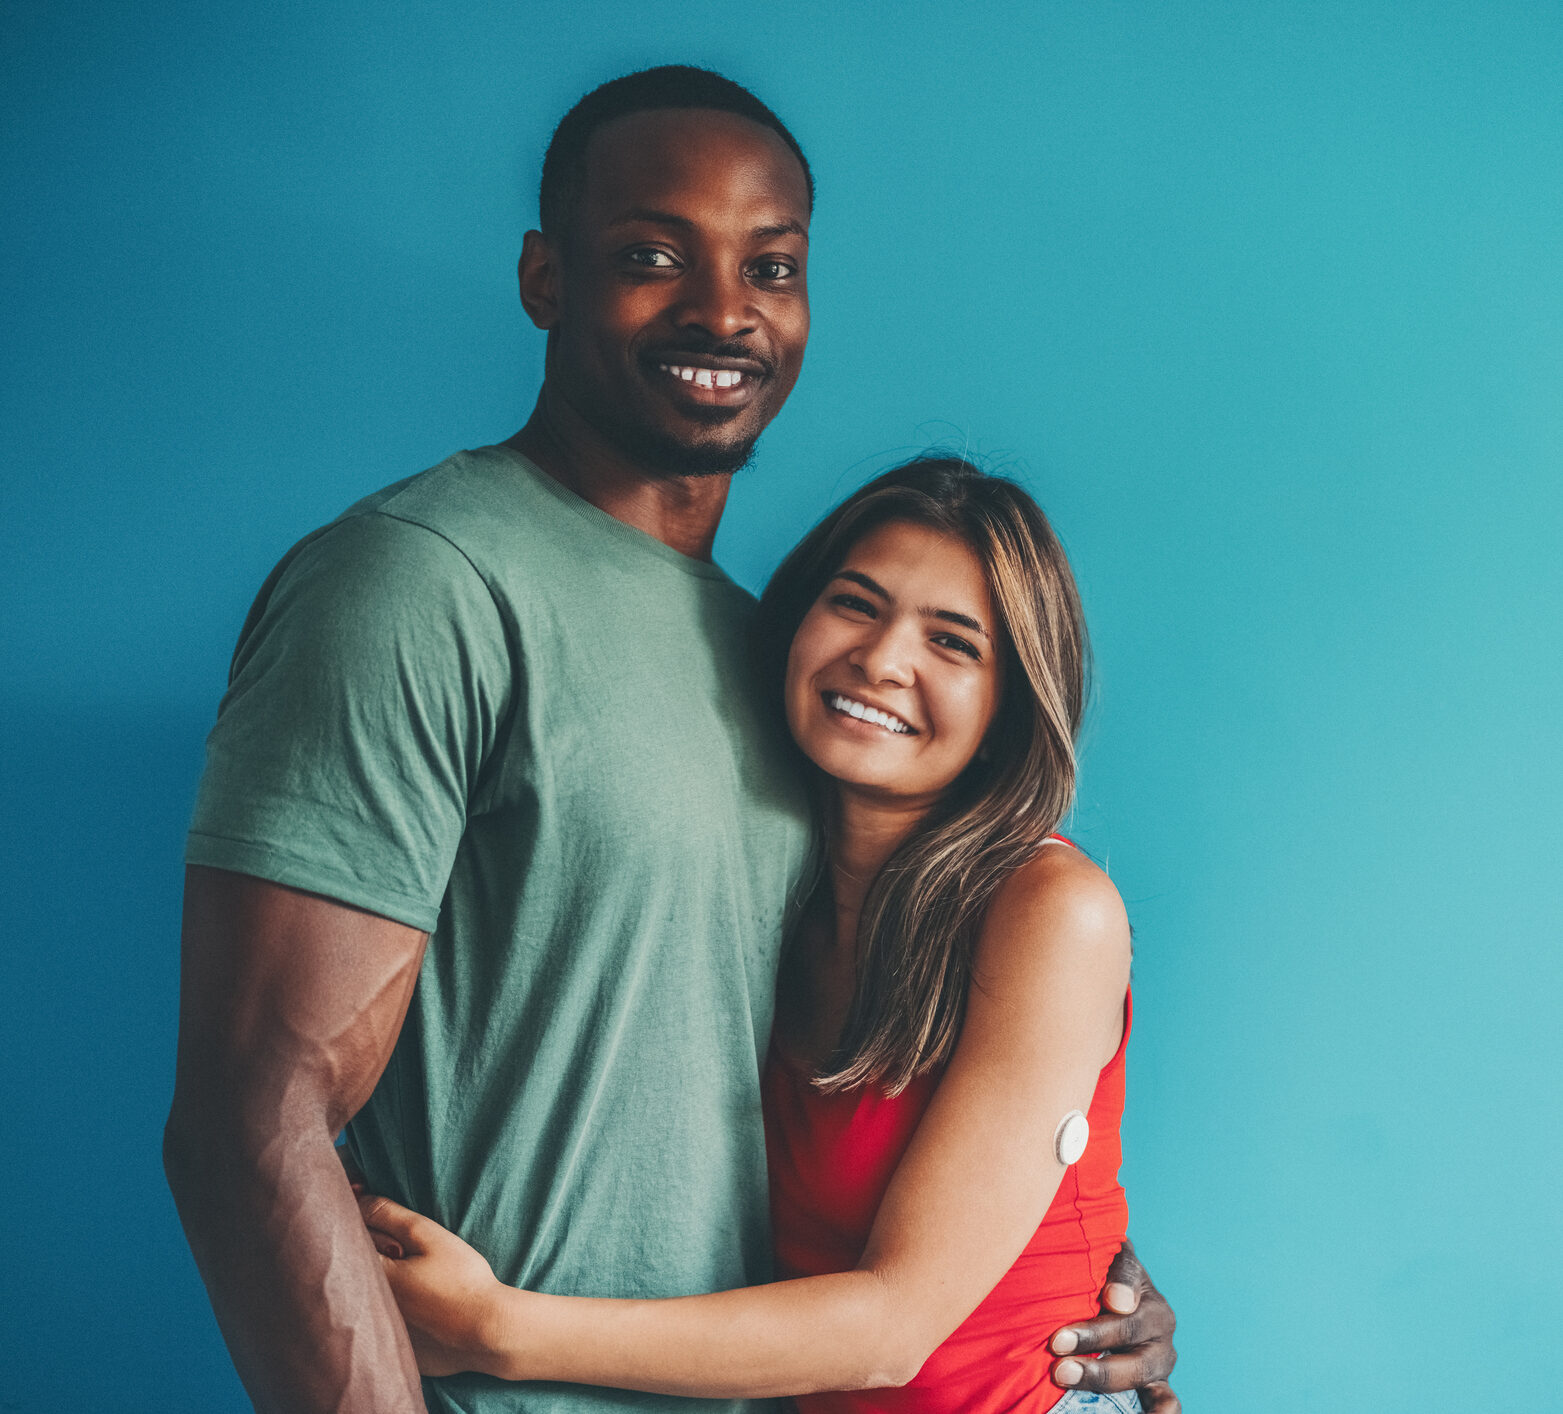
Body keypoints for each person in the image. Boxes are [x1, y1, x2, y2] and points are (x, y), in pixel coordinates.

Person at [162, 66, 1179, 1414]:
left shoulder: (768, 660)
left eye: (769, 267)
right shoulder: (417, 579)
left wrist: (1072, 1257)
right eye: (650, 255)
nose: (720, 312)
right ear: (544, 276)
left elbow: (753, 1070)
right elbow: (249, 1115)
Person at [353, 457, 1141, 1413]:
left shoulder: (1050, 910)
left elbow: (895, 1329)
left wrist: (493, 1330)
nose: (884, 660)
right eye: (856, 604)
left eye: (953, 643)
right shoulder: (759, 884)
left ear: (1008, 706)